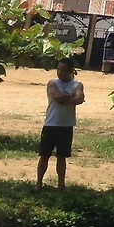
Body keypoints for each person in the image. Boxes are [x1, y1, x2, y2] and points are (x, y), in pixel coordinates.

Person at [35, 58, 84, 192]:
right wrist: (71, 95)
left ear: (71, 71)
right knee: (44, 156)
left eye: (63, 70)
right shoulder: (53, 82)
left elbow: (80, 99)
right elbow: (56, 96)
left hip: (66, 126)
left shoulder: (77, 84)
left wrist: (65, 97)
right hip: (51, 124)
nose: (59, 72)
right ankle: (38, 183)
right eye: (58, 69)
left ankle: (61, 185)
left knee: (62, 157)